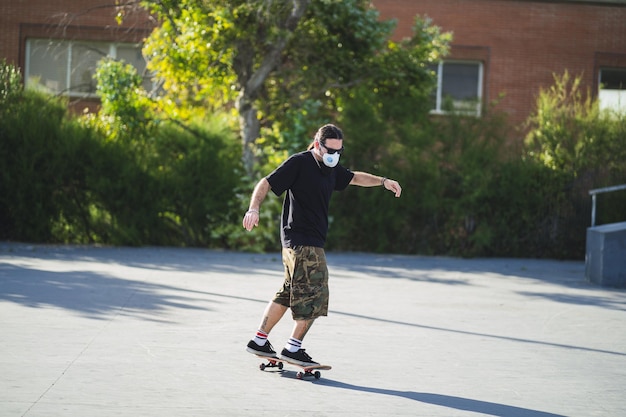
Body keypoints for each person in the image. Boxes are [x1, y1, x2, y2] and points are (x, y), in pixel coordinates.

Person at [242, 123, 402, 366]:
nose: (334, 156)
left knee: (289, 291)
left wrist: (383, 181)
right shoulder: (300, 162)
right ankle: (293, 348)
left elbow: (355, 177)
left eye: (339, 152)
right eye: (330, 151)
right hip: (301, 241)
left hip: (301, 242)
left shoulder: (332, 168)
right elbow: (266, 182)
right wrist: (254, 208)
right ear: (318, 144)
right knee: (317, 292)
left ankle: (260, 340)